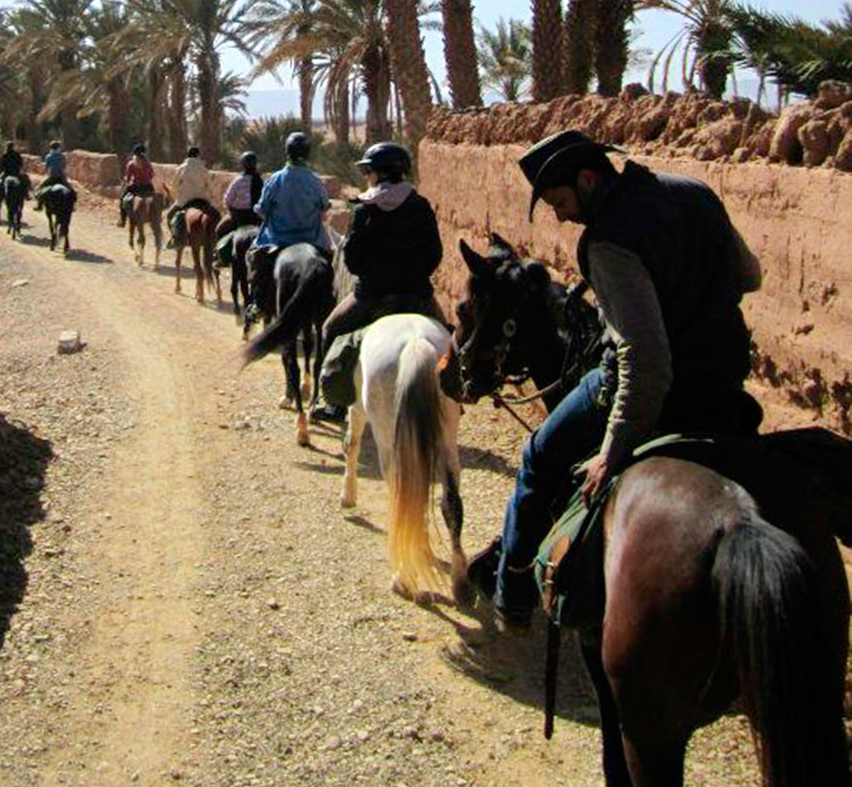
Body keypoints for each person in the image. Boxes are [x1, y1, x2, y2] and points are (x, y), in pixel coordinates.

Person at [469, 128, 764, 629]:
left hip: (658, 393)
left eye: (560, 201)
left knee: (538, 457)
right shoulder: (695, 192)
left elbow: (645, 358)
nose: (560, 215)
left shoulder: (606, 242)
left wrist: (616, 447)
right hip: (722, 383)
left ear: (587, 179)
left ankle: (512, 586)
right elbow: (750, 276)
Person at [309, 142, 446, 423]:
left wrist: (374, 274)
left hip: (371, 295)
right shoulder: (420, 205)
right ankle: (456, 393)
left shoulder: (365, 209)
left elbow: (353, 260)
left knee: (330, 329)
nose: (367, 177)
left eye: (368, 171)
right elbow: (435, 254)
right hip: (417, 293)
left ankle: (334, 403)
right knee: (449, 337)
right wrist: (414, 275)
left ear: (378, 174)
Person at [246, 132, 332, 315]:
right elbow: (324, 209)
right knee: (330, 264)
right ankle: (328, 304)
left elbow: (262, 210)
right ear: (307, 154)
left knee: (256, 260)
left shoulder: (275, 179)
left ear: (287, 152)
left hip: (277, 240)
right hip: (312, 240)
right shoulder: (316, 182)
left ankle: (258, 303)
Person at [166, 146, 219, 248]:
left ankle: (175, 238)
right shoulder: (203, 168)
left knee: (169, 216)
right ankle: (214, 243)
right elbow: (210, 185)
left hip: (185, 200)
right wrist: (211, 195)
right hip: (202, 200)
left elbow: (174, 185)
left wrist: (178, 195)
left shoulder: (181, 168)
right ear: (198, 155)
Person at [216, 151, 264, 242]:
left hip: (238, 217)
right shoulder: (260, 181)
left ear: (242, 164)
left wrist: (230, 209)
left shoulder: (238, 180)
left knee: (219, 230)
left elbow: (228, 200)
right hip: (256, 217)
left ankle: (218, 254)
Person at [119, 143, 156, 226]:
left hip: (136, 187)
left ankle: (122, 220)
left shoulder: (131, 164)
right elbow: (151, 175)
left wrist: (126, 181)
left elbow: (128, 177)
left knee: (122, 199)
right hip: (147, 187)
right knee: (156, 200)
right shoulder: (148, 164)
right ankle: (156, 218)